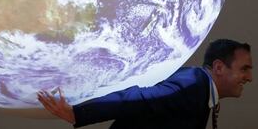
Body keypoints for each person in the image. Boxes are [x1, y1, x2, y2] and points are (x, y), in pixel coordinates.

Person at [37, 39, 253, 129]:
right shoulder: (193, 85)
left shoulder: (201, 88)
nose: (250, 78)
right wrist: (78, 113)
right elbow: (139, 97)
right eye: (244, 69)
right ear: (218, 67)